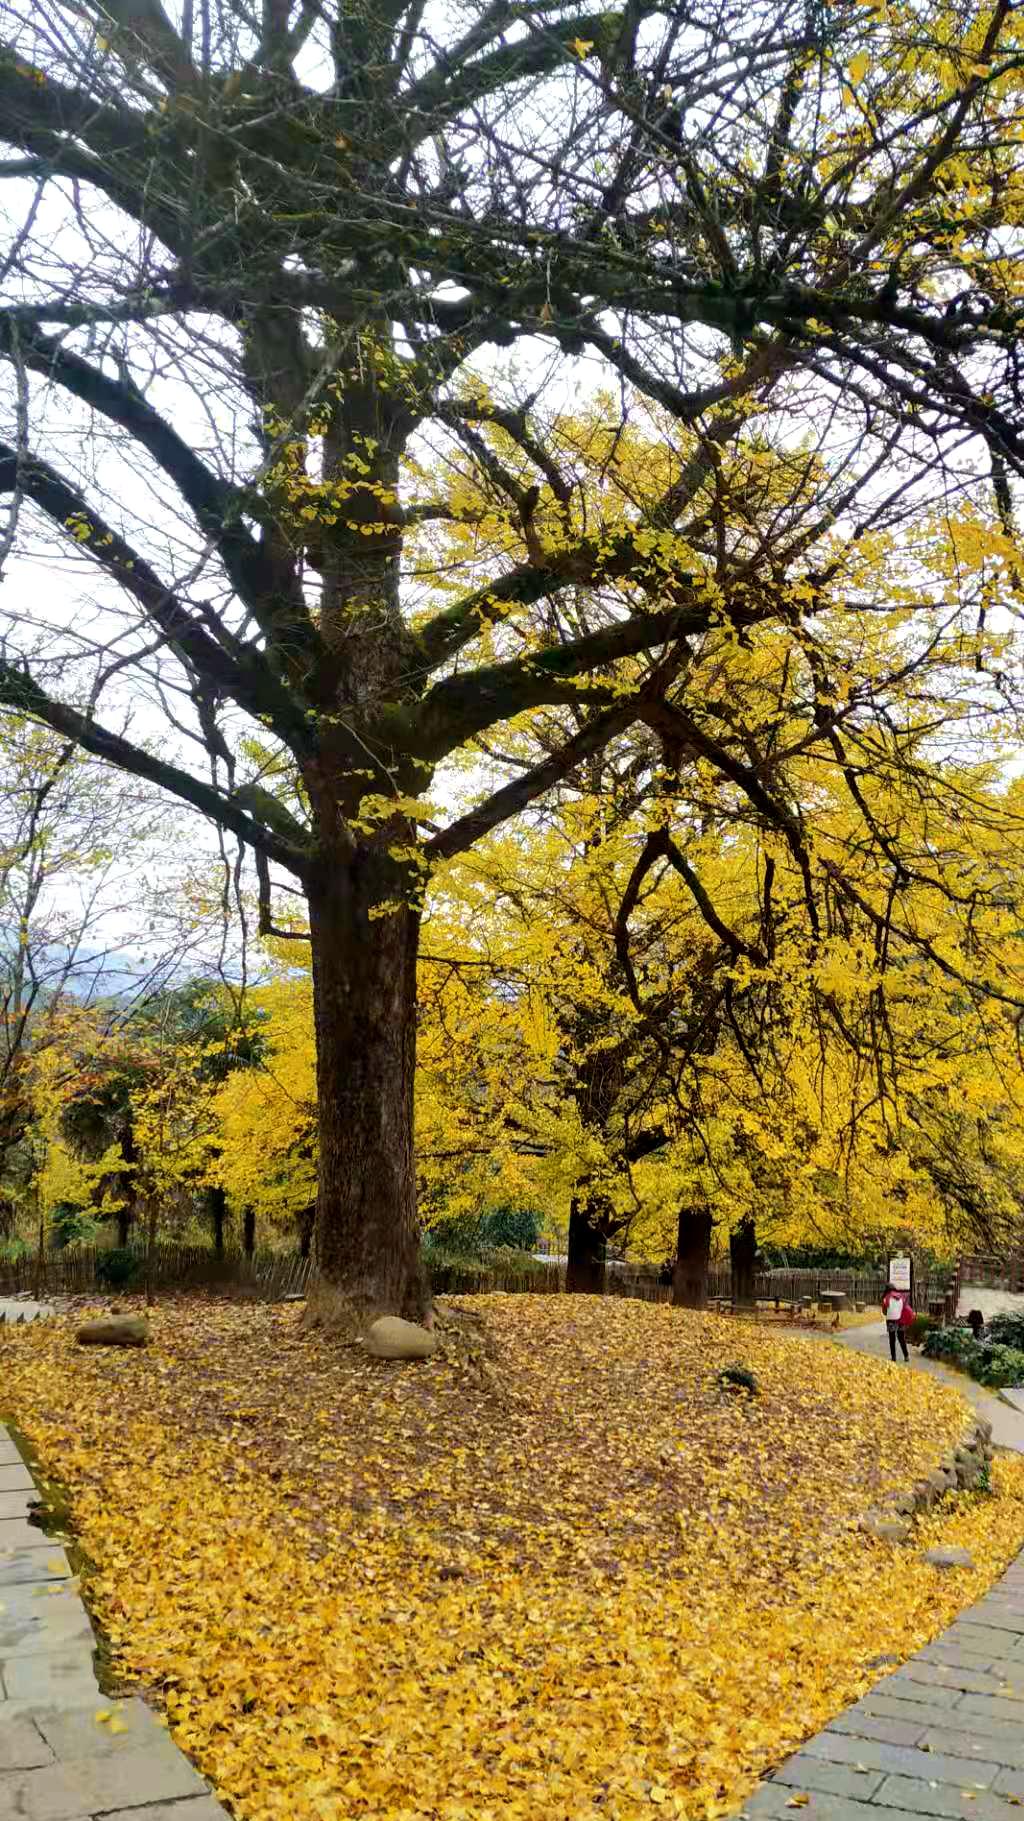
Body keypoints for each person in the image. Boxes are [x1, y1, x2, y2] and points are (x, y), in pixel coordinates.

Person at [881, 1283, 913, 1361]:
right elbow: (904, 1308)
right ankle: (906, 1356)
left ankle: (893, 1357)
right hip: (901, 1319)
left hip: (891, 1320)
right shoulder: (901, 1296)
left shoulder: (886, 1298)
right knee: (901, 1338)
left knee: (892, 1339)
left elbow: (884, 1312)